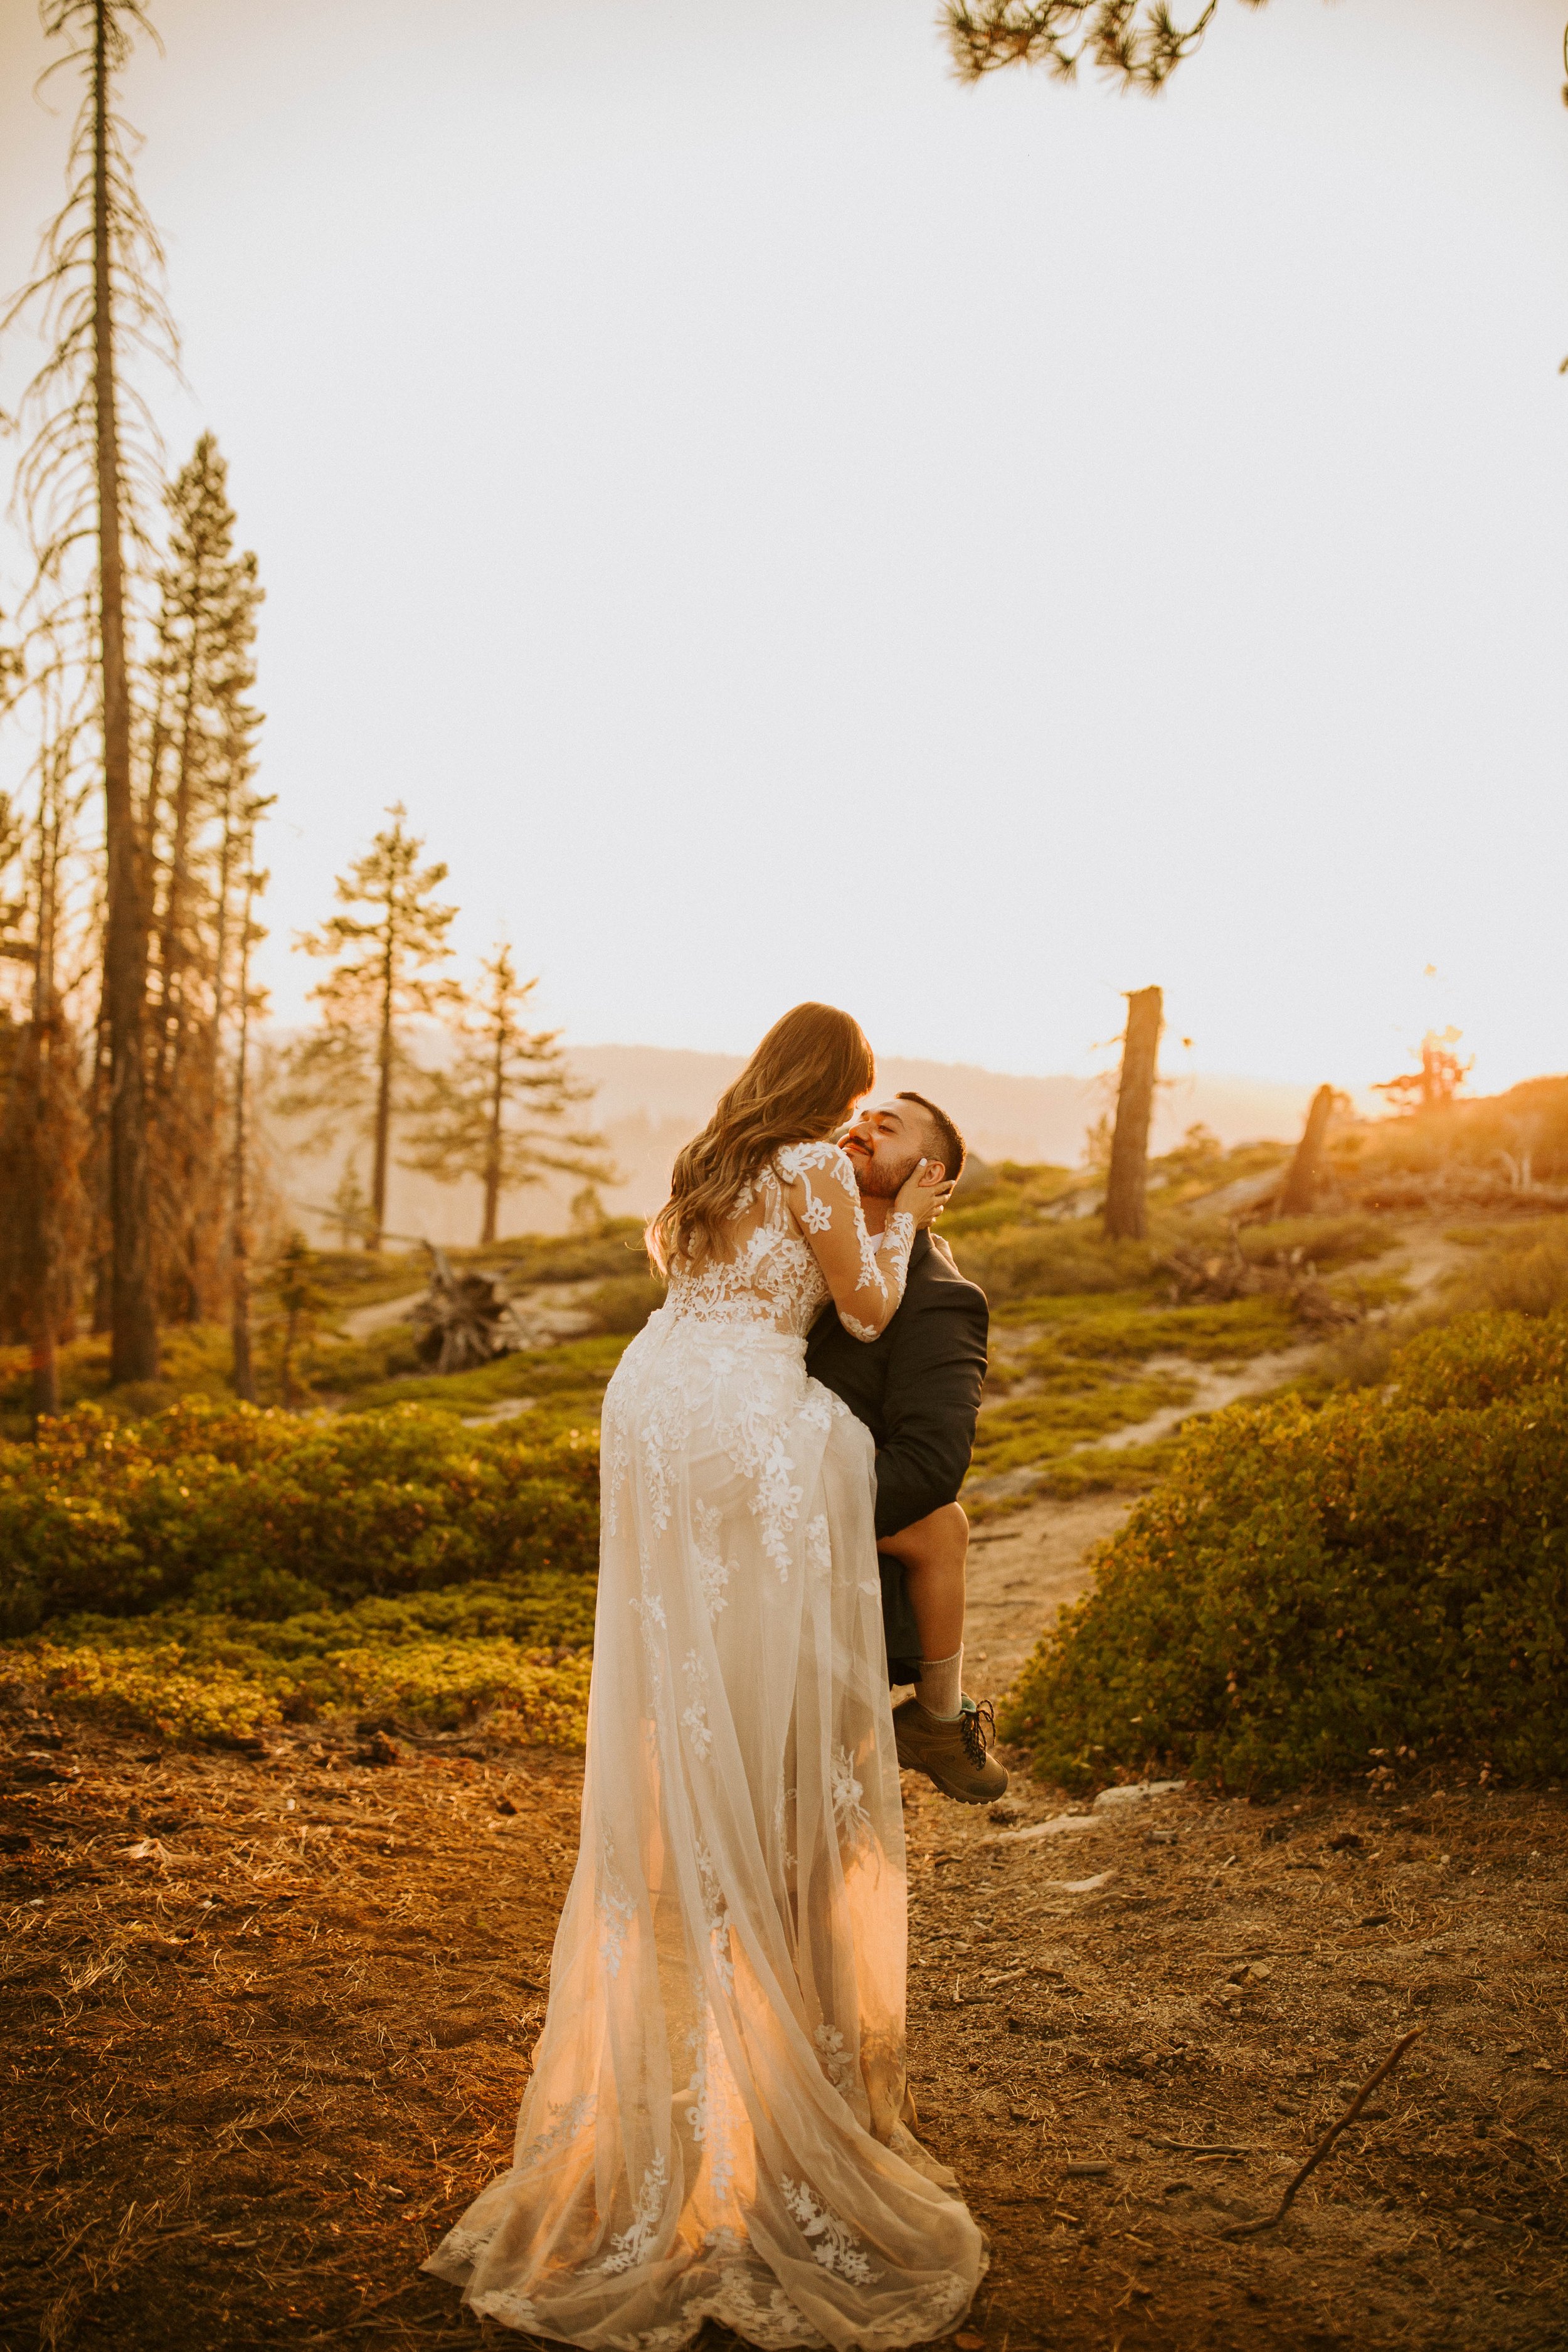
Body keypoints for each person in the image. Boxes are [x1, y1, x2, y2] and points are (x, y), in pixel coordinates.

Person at [425, 1004, 987, 2349]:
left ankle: (724, 1779)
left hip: (650, 1402)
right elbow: (859, 1304)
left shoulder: (706, 1157)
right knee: (890, 1516)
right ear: (831, 1090)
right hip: (736, 1411)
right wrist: (901, 1216)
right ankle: (921, 1721)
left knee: (683, 1635)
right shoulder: (806, 1168)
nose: (860, 1123)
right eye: (861, 1099)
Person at [805, 1094, 1007, 1806]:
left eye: (885, 1128)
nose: (858, 1128)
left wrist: (789, 1516)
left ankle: (938, 1719)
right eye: (857, 1118)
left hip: (816, 1578)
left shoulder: (938, 1295)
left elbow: (930, 1467)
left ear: (932, 1175)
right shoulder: (793, 1243)